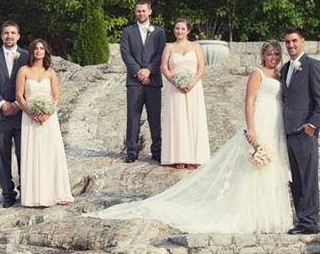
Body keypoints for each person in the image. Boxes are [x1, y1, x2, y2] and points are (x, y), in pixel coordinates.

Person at [91, 41, 294, 234]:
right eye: (269, 54)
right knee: (252, 170)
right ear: (263, 56)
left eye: (276, 54)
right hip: (260, 121)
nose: (273, 58)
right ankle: (250, 215)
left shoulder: (279, 75)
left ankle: (269, 215)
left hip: (276, 124)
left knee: (272, 168)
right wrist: (251, 128)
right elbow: (249, 101)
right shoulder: (257, 74)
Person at [15, 39, 74, 207]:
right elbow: (19, 96)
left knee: (51, 153)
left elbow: (56, 96)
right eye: (36, 48)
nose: (39, 51)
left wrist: (48, 113)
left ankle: (56, 193)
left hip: (49, 119)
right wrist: (31, 112)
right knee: (33, 153)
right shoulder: (23, 71)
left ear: (45, 52)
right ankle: (34, 196)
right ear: (31, 51)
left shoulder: (51, 73)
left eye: (42, 48)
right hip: (29, 118)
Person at [281, 27, 320, 235]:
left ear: (303, 42)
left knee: (307, 177)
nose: (291, 46)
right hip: (288, 132)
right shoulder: (285, 69)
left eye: (294, 41)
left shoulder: (312, 65)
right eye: (288, 43)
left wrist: (312, 124)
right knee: (296, 179)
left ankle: (309, 222)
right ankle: (302, 220)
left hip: (304, 131)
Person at [0, 21, 29, 207]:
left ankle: (26, 189)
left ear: (18, 35)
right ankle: (7, 193)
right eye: (6, 33)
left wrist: (18, 104)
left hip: (21, 114)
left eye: (12, 33)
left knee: (24, 154)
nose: (9, 36)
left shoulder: (26, 56)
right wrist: (2, 104)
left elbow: (31, 81)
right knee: (2, 156)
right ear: (1, 36)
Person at [120, 0, 167, 163]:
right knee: (133, 116)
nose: (141, 13)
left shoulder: (159, 32)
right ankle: (132, 151)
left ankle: (157, 150)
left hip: (153, 80)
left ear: (150, 11)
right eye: (138, 11)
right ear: (135, 12)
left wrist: (149, 70)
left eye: (144, 10)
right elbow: (125, 53)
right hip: (134, 81)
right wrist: (138, 72)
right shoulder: (127, 31)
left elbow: (161, 54)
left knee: (155, 117)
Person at [160, 18, 211, 169]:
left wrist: (192, 82)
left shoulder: (195, 46)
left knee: (193, 119)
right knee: (178, 120)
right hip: (175, 88)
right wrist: (175, 82)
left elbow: (201, 67)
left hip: (193, 88)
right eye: (177, 28)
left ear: (188, 30)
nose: (179, 31)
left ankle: (195, 157)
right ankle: (179, 157)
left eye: (182, 29)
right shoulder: (169, 47)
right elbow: (164, 67)